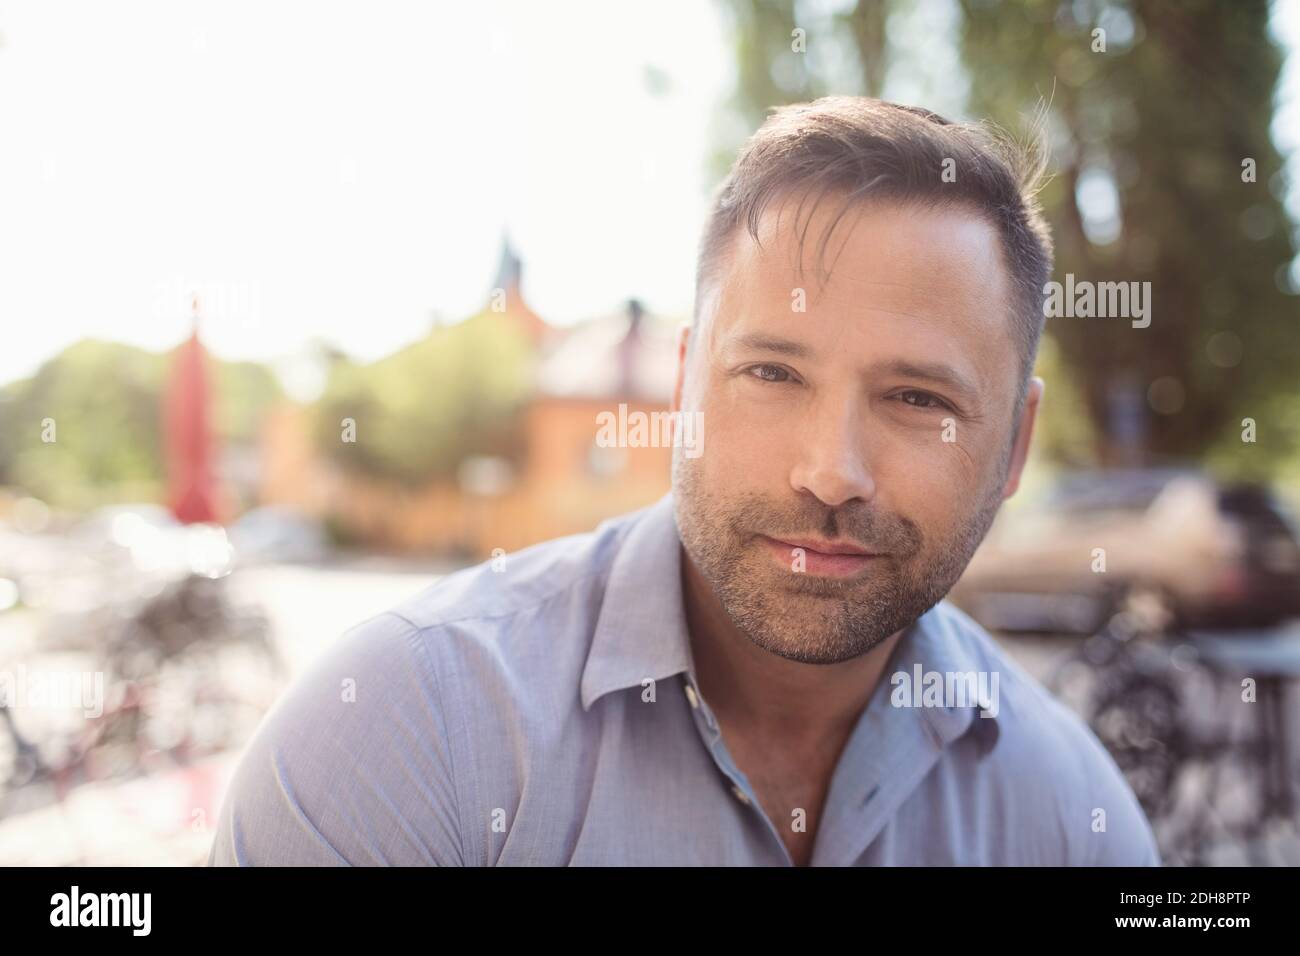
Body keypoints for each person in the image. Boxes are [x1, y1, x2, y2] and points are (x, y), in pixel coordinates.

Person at [209, 96, 1160, 866]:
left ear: (1015, 447)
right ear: (681, 384)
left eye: (916, 398)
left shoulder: (1072, 820)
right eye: (773, 374)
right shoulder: (408, 739)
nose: (831, 471)